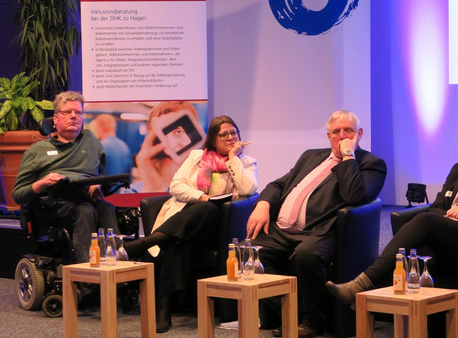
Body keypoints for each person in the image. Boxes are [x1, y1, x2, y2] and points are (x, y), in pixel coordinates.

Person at [326, 112, 458, 308]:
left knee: (425, 221)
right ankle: (415, 317)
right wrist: (451, 220)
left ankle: (362, 284)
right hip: (452, 235)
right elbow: (438, 206)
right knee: (421, 251)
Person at [245, 110, 386, 338]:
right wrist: (263, 204)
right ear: (328, 136)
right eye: (336, 132)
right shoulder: (311, 156)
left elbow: (355, 196)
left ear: (359, 134)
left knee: (306, 255)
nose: (342, 136)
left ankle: (313, 321)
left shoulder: (371, 164)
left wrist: (348, 155)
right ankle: (294, 313)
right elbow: (278, 184)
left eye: (348, 131)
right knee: (246, 255)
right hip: (282, 230)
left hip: (320, 232)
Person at [125, 115, 257, 333]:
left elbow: (247, 190)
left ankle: (148, 242)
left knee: (207, 210)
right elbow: (175, 186)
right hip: (189, 219)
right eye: (223, 134)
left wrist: (233, 158)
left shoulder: (246, 163)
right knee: (179, 241)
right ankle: (164, 310)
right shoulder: (197, 157)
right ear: (213, 139)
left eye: (233, 133)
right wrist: (201, 196)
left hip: (220, 227)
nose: (230, 137)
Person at [13, 91, 119, 264]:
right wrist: (42, 183)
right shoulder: (37, 151)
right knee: (85, 211)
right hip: (56, 205)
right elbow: (18, 194)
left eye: (78, 113)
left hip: (87, 197)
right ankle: (88, 278)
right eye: (67, 112)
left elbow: (102, 174)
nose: (73, 117)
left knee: (107, 208)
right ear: (55, 118)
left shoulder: (91, 140)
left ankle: (117, 267)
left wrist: (97, 185)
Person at [132, 101, 203, 193]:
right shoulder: (136, 190)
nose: (171, 144)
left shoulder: (213, 180)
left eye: (178, 132)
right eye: (160, 136)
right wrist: (152, 187)